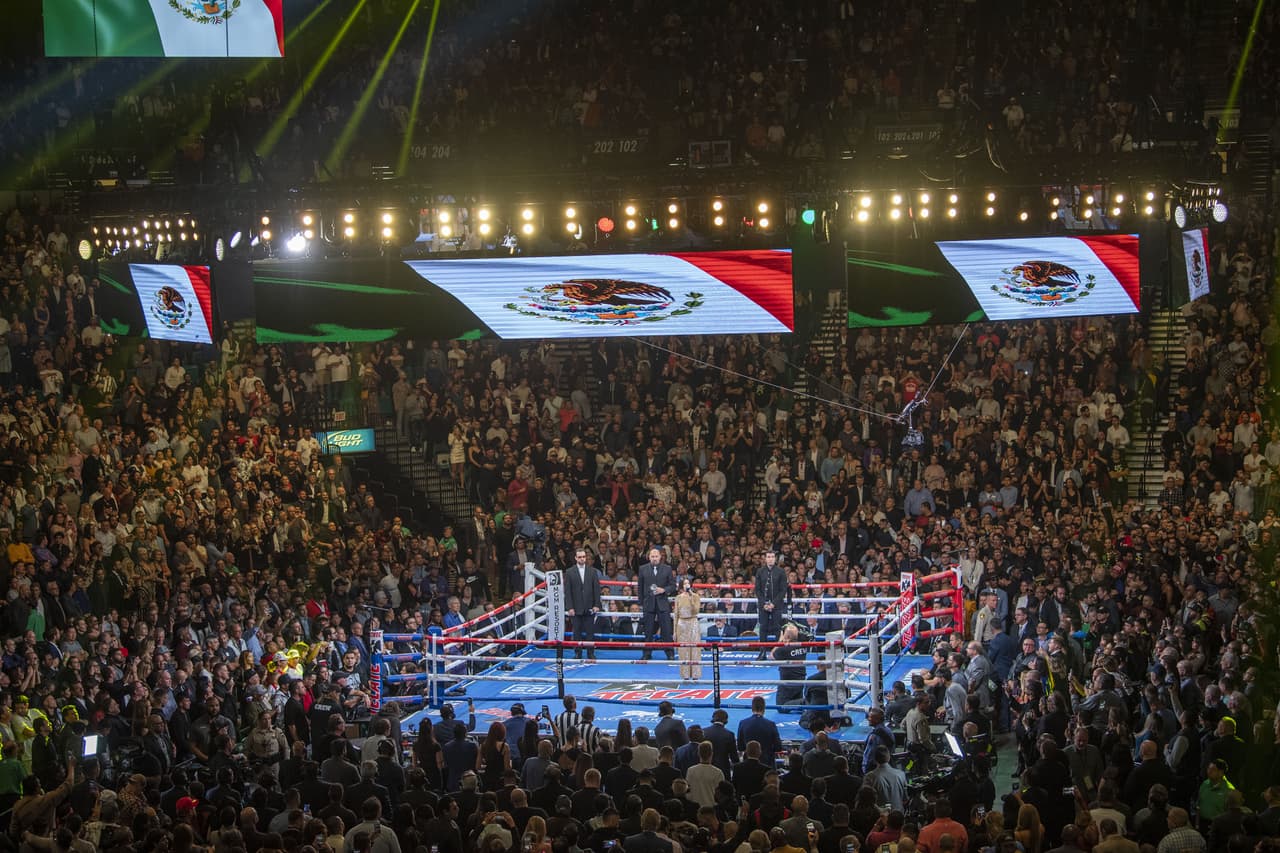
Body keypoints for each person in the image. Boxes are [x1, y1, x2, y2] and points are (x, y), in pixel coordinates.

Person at [565, 548, 603, 660]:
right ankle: (578, 653)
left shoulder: (592, 571)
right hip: (576, 607)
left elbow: (596, 589)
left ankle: (590, 653)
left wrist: (597, 605)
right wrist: (570, 607)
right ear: (576, 558)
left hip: (589, 606)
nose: (582, 559)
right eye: (580, 557)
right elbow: (568, 592)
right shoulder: (569, 572)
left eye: (583, 557)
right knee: (576, 632)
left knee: (590, 632)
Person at [638, 547, 675, 661]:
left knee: (666, 630)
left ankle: (670, 653)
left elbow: (673, 586)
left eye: (656, 556)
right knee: (648, 630)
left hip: (662, 602)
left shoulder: (667, 569)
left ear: (660, 557)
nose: (654, 558)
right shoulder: (642, 569)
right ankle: (647, 653)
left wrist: (663, 590)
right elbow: (640, 587)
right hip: (648, 603)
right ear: (649, 557)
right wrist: (641, 603)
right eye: (652, 556)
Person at [754, 551, 788, 642]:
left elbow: (783, 590)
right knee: (763, 628)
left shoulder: (781, 571)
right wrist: (763, 603)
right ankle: (762, 652)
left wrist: (774, 604)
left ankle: (777, 652)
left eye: (772, 557)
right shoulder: (760, 571)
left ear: (775, 559)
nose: (770, 559)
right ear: (765, 559)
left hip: (776, 604)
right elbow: (757, 590)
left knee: (777, 627)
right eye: (768, 557)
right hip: (763, 604)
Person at [674, 577, 703, 681]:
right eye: (684, 584)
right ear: (682, 586)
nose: (686, 585)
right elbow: (676, 614)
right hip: (681, 623)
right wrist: (674, 631)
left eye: (688, 583)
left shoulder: (696, 596)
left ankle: (695, 674)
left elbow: (696, 611)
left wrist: (691, 598)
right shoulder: (678, 598)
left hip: (693, 622)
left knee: (695, 649)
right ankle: (685, 675)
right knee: (683, 650)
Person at [773, 624, 808, 706]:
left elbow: (772, 655)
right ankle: (800, 702)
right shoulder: (803, 645)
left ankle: (805, 703)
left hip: (788, 683)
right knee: (796, 699)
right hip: (800, 679)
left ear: (787, 637)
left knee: (781, 706)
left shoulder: (783, 649)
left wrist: (780, 641)